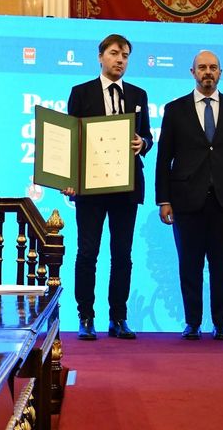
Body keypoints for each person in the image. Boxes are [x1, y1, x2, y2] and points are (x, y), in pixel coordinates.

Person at [155, 50, 223, 340]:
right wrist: (164, 200)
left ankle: (221, 323)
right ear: (192, 72)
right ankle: (193, 322)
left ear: (220, 73)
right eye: (202, 68)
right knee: (190, 265)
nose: (207, 72)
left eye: (213, 68)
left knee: (222, 265)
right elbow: (164, 159)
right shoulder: (175, 109)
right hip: (186, 201)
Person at [62, 34, 153, 341]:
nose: (120, 60)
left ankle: (119, 317)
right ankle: (85, 316)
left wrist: (143, 143)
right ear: (100, 57)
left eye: (125, 55)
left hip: (126, 187)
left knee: (122, 255)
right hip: (91, 187)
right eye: (114, 54)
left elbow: (148, 137)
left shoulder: (139, 95)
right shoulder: (81, 92)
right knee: (88, 252)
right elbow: (69, 139)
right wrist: (67, 179)